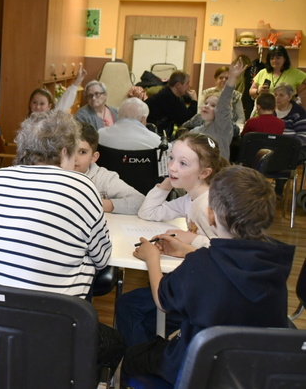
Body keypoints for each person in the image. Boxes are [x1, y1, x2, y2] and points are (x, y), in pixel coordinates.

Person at [0, 110, 125, 372]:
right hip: (47, 335)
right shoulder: (82, 186)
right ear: (64, 152)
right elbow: (102, 258)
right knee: (115, 343)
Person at [122, 165, 295, 385]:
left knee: (134, 356)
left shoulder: (201, 263)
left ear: (211, 216)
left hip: (196, 368)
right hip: (251, 371)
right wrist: (189, 251)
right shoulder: (273, 263)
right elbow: (230, 267)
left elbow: (162, 301)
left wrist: (152, 259)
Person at [115, 133, 230, 348]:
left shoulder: (207, 205)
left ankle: (142, 360)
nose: (172, 167)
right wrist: (167, 183)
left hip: (209, 295)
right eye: (171, 159)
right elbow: (148, 212)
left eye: (183, 163)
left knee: (130, 307)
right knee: (138, 312)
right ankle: (149, 356)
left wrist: (193, 239)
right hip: (200, 282)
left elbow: (225, 253)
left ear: (204, 172)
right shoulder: (190, 197)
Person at [74, 123, 145, 215]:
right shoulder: (54, 174)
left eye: (82, 152)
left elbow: (140, 202)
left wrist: (96, 204)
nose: (74, 158)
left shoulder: (104, 178)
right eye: (69, 150)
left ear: (93, 157)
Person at [186, 59, 246, 159]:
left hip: (218, 168)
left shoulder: (222, 127)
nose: (206, 106)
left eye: (213, 105)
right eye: (206, 103)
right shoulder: (197, 130)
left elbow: (223, 104)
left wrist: (232, 78)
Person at [145, 71, 198, 138]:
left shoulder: (169, 93)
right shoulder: (168, 98)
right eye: (187, 83)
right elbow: (188, 121)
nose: (189, 86)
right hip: (153, 134)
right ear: (178, 85)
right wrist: (194, 100)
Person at [273, 82, 306, 159]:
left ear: (290, 97)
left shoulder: (298, 113)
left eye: (281, 95)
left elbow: (303, 136)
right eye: (275, 94)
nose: (277, 98)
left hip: (293, 149)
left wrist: (285, 146)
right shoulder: (269, 110)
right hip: (272, 146)